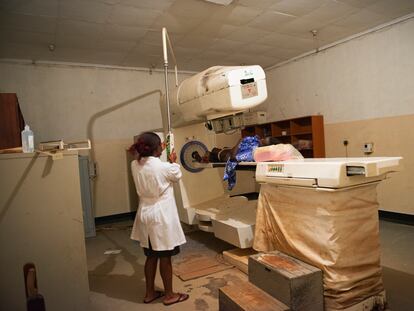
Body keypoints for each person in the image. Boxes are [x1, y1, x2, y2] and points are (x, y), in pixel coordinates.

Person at [129, 132, 189, 306]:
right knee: (165, 256)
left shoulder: (135, 164)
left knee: (151, 256)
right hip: (161, 217)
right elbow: (177, 174)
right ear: (158, 148)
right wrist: (172, 160)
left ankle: (149, 293)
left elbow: (146, 161)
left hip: (145, 215)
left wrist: (160, 153)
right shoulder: (164, 167)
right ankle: (169, 295)